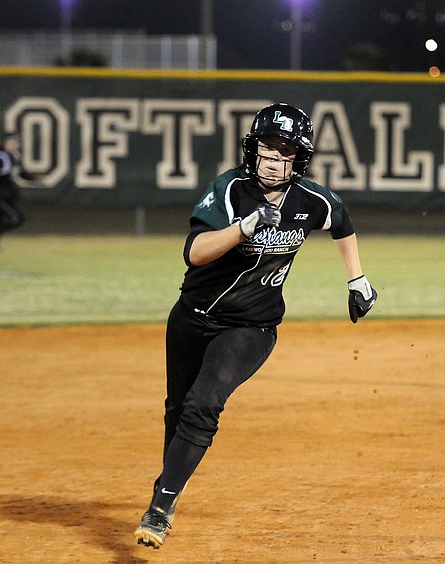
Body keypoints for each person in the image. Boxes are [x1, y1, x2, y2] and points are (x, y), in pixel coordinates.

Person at [134, 103, 378, 549]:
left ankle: (161, 506)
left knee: (204, 404)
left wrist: (357, 278)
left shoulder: (310, 199)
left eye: (284, 149)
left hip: (251, 326)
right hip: (190, 318)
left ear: (298, 159)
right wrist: (243, 227)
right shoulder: (230, 189)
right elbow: (195, 252)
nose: (272, 157)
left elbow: (341, 221)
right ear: (253, 147)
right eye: (267, 145)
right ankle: (171, 482)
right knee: (179, 408)